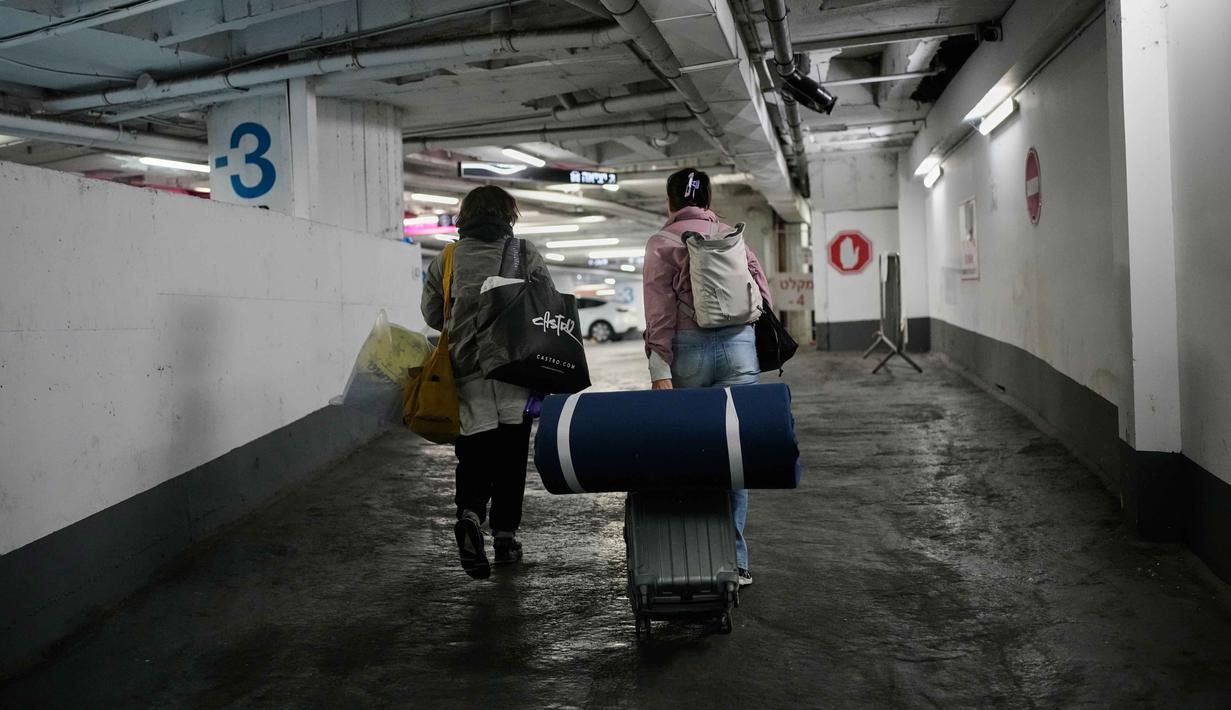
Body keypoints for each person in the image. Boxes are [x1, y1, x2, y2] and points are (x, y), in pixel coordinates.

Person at [641, 168, 773, 587]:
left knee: (692, 451)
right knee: (735, 453)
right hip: (740, 350)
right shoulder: (732, 236)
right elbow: (762, 294)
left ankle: (697, 558)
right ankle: (737, 561)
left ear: (669, 202)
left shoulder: (662, 242)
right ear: (709, 200)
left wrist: (659, 368)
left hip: (689, 352)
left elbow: (658, 311)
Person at [421, 185, 551, 580]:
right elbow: (546, 303)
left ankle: (470, 516)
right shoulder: (523, 252)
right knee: (511, 458)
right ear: (508, 216)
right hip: (513, 371)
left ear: (465, 217)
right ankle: (505, 538)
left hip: (467, 372)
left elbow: (432, 314)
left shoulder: (446, 259)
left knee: (474, 456)